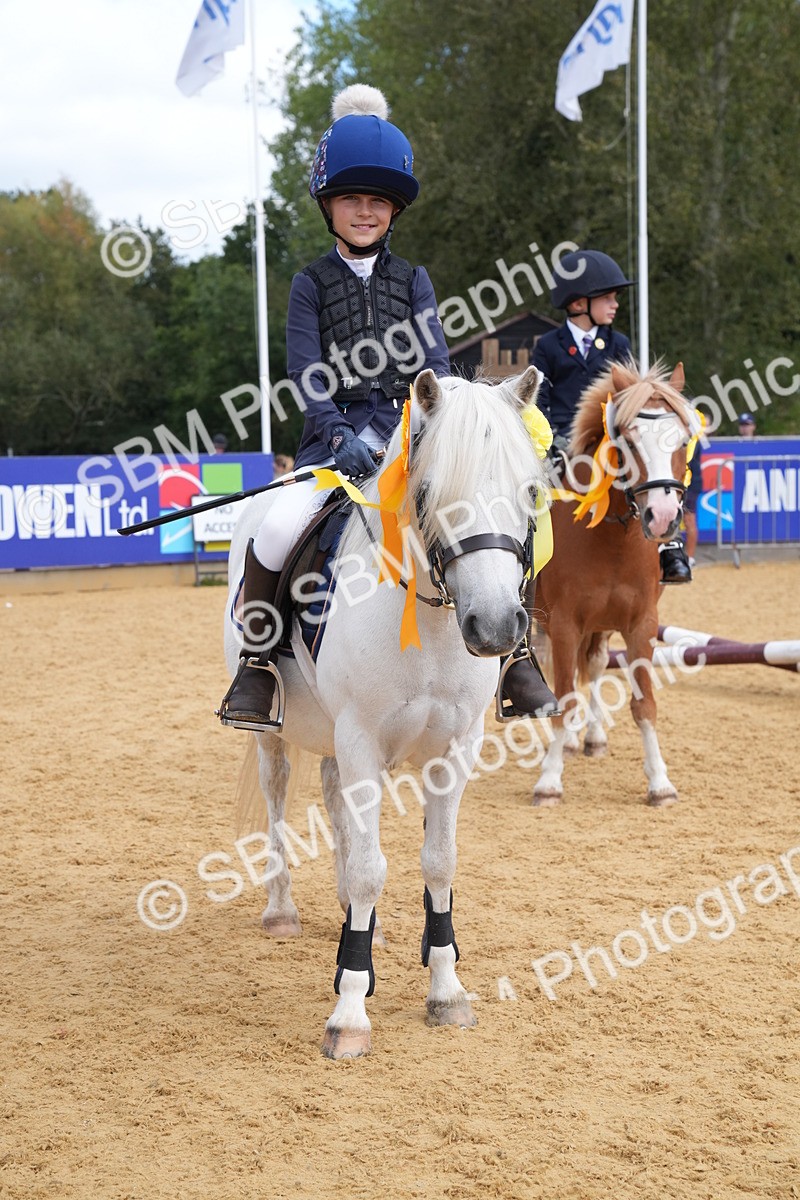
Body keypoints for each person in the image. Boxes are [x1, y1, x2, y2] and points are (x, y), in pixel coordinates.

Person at [219, 84, 558, 730]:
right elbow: (304, 372)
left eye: (377, 202)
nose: (365, 212)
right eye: (352, 200)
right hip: (332, 449)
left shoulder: (415, 281)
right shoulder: (309, 285)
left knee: (510, 524)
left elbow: (432, 367)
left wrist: (412, 429)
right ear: (329, 206)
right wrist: (339, 432)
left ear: (393, 210)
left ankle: (514, 654)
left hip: (408, 441)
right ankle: (259, 664)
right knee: (277, 528)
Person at [532, 248, 691, 584]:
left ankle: (670, 547)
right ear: (578, 304)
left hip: (609, 438)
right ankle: (526, 559)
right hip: (560, 440)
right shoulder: (548, 345)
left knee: (661, 468)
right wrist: (551, 437)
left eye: (615, 298)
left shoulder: (618, 342)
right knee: (529, 489)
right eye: (607, 298)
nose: (615, 304)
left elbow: (629, 396)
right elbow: (539, 398)